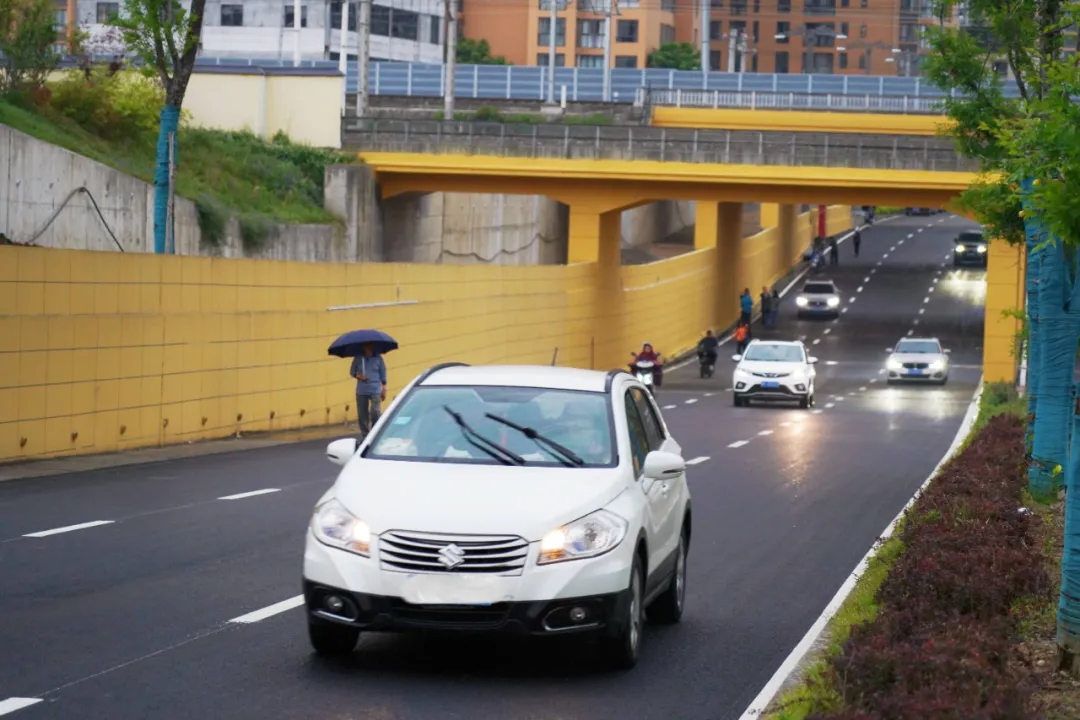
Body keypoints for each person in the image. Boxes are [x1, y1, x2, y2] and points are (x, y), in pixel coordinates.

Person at [351, 342, 387, 437]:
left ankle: (374, 432)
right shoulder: (358, 358)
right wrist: (359, 376)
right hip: (362, 390)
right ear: (363, 347)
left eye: (370, 345)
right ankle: (365, 434)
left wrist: (384, 388)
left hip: (375, 388)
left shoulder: (378, 358)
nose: (368, 347)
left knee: (375, 411)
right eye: (366, 345)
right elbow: (352, 372)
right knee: (362, 414)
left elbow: (383, 374)